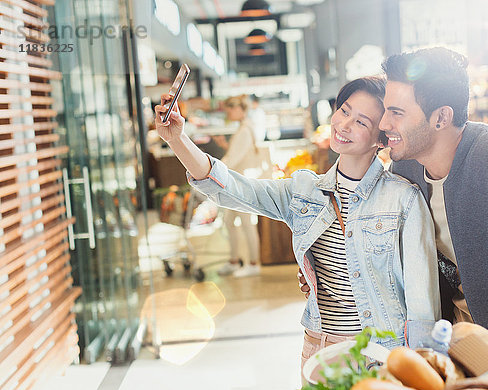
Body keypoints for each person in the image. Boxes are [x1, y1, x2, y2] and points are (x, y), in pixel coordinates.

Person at [300, 47, 488, 374]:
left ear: (441, 117)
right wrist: (323, 268)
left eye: (397, 112)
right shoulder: (405, 174)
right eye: (386, 110)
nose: (384, 124)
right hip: (443, 360)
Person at [154, 76, 441, 366]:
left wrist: (421, 369)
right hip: (321, 348)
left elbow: (422, 305)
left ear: (380, 139)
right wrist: (177, 139)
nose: (344, 125)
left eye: (361, 122)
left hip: (381, 354)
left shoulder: (403, 199)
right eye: (344, 111)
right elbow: (230, 188)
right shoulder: (304, 192)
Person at [211, 95, 263, 278]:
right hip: (236, 183)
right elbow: (236, 154)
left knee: (246, 223)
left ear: (240, 109)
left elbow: (234, 159)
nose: (228, 113)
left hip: (241, 184)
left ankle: (254, 263)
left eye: (230, 109)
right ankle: (234, 260)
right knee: (229, 221)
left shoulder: (244, 130)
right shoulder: (244, 128)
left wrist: (212, 170)